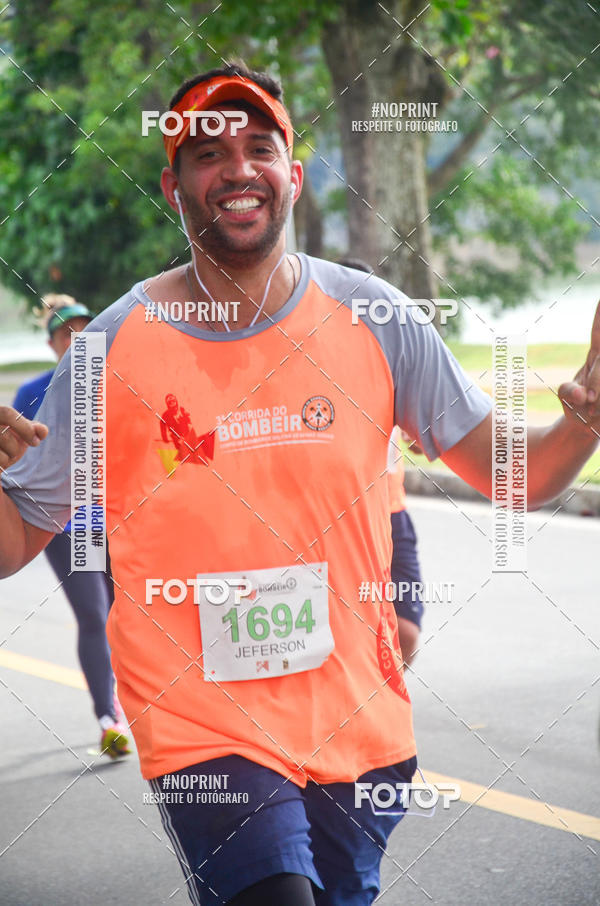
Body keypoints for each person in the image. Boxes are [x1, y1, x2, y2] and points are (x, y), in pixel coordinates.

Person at [1, 61, 599, 905]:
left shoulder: (377, 317)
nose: (237, 168)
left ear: (290, 170)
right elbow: (18, 536)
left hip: (359, 729)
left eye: (260, 147)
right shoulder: (109, 350)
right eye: (208, 155)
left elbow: (519, 474)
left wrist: (584, 420)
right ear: (174, 186)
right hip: (203, 732)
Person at [12, 294, 130, 759]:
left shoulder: (115, 382)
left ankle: (142, 704)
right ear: (52, 343)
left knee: (134, 616)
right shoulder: (31, 395)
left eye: (85, 330)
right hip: (65, 525)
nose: (78, 339)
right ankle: (109, 717)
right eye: (67, 333)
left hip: (118, 518)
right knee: (95, 614)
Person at [337, 257, 423, 665]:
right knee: (346, 632)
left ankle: (380, 702)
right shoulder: (312, 368)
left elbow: (426, 424)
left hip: (391, 515)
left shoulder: (394, 362)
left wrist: (424, 432)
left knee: (405, 632)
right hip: (337, 523)